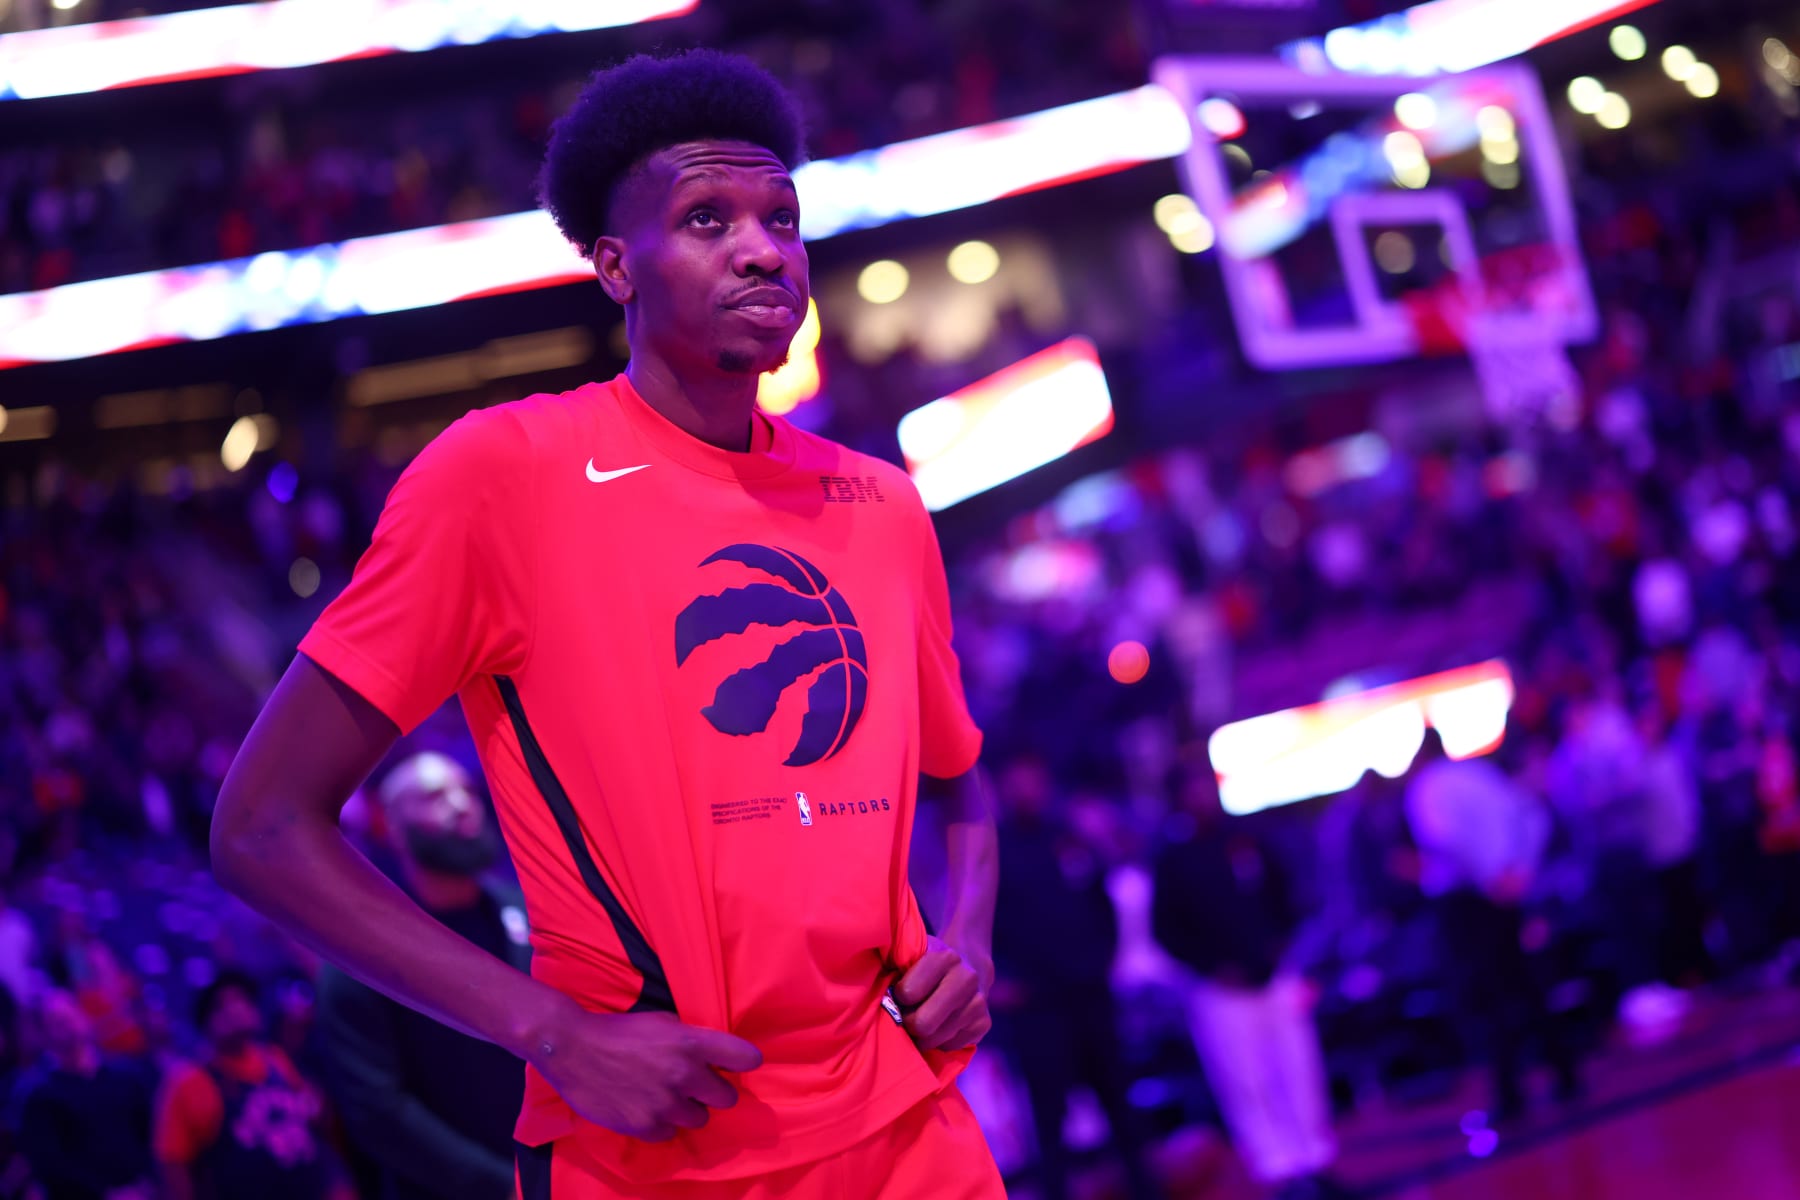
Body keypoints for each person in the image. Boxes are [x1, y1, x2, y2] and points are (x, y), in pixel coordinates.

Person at [210, 48, 1003, 1200]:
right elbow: (264, 827)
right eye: (707, 217)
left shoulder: (880, 505)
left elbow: (962, 779)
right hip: (660, 1153)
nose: (763, 246)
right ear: (617, 267)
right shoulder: (502, 477)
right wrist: (549, 1031)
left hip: (909, 1128)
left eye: (783, 216)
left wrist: (967, 937)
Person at [315, 752, 531, 1200]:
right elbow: (378, 1111)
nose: (461, 804)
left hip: (568, 1174)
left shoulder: (527, 913)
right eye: (434, 796)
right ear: (393, 826)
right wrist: (500, 1185)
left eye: (466, 790)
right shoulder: (362, 956)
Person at [1151, 762, 1343, 1200]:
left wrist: (1282, 944)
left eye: (1204, 784)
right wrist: (1211, 967)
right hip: (1220, 989)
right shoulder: (1172, 858)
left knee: (1298, 1067)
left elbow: (1285, 893)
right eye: (1191, 786)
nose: (1200, 793)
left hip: (1274, 974)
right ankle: (1278, 1170)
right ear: (1178, 797)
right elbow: (1167, 930)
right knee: (1245, 1081)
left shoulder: (1247, 838)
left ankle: (1316, 1159)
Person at [990, 758, 1158, 1200]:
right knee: (1049, 1121)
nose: (1027, 787)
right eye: (1018, 779)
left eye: (1034, 777)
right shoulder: (992, 850)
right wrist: (1002, 980)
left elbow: (1103, 904)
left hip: (1091, 995)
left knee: (1121, 1106)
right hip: (1038, 1007)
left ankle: (1147, 1190)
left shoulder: (1067, 837)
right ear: (1004, 786)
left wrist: (1103, 960)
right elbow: (979, 926)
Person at [1403, 729, 1577, 1118]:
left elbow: (1444, 840)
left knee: (1485, 998)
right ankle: (1564, 1073)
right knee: (1524, 985)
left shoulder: (1428, 789)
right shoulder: (1481, 775)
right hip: (1503, 893)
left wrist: (1489, 877)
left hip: (1466, 902)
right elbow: (1533, 816)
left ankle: (1509, 1095)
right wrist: (1520, 872)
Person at [153, 971, 351, 1200]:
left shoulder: (275, 1059)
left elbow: (315, 1119)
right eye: (222, 1005)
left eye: (242, 1000)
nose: (237, 1009)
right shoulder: (189, 1083)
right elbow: (172, 1164)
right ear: (206, 1021)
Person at [12, 989, 158, 1200]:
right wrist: (105, 1194)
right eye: (57, 1021)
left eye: (71, 1015)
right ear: (43, 1035)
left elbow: (150, 1132)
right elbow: (51, 1165)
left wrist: (147, 1183)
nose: (68, 1025)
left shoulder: (125, 1076)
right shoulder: (39, 1096)